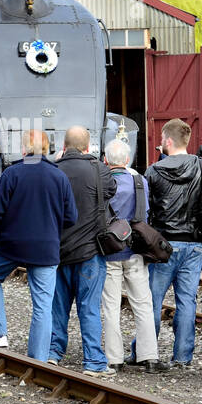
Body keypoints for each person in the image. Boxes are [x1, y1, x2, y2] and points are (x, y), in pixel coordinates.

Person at [0, 130, 76, 358]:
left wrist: (5, 226)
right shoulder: (59, 176)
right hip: (45, 249)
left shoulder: (12, 173)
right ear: (46, 150)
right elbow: (71, 217)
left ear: (24, 150)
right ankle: (38, 359)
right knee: (43, 305)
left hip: (11, 245)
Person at [147, 118, 202, 368]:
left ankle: (147, 352)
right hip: (193, 245)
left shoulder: (154, 171)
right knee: (187, 301)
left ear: (168, 141)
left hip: (163, 245)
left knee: (152, 300)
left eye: (161, 140)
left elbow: (146, 210)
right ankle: (182, 356)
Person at [49, 126, 117, 376]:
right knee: (88, 308)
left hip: (58, 251)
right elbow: (111, 191)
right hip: (90, 252)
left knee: (57, 307)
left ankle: (53, 354)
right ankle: (93, 363)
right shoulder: (99, 169)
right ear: (88, 147)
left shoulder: (53, 169)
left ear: (63, 146)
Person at [99, 139, 163, 372]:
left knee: (111, 306)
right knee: (143, 304)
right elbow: (145, 213)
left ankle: (114, 359)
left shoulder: (102, 182)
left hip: (109, 252)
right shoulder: (140, 181)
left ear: (105, 160)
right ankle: (150, 357)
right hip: (136, 250)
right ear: (127, 160)